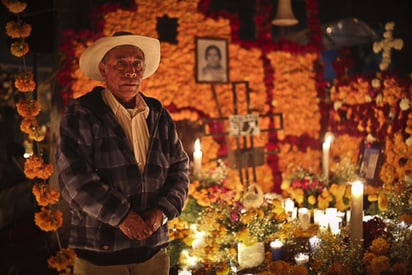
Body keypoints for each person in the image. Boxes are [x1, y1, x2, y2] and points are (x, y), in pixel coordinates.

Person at [56, 31, 190, 275]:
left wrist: (161, 213)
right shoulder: (84, 112)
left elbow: (180, 169)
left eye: (137, 64)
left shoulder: (158, 114)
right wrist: (122, 217)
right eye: (121, 63)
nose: (131, 71)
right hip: (100, 252)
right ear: (103, 69)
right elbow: (73, 180)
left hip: (153, 251)